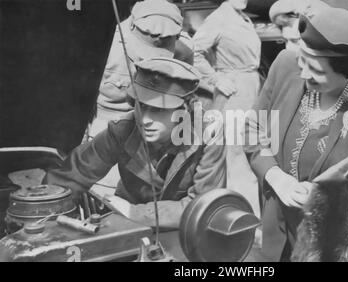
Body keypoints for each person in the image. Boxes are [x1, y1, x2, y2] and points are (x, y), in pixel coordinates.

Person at [245, 6, 348, 261]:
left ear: (347, 70)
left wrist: (326, 199)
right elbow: (250, 128)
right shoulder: (285, 66)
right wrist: (275, 176)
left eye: (317, 70)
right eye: (302, 60)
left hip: (329, 244)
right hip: (276, 232)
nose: (303, 73)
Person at [43, 58, 226, 229]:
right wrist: (42, 211)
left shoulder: (209, 135)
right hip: (127, 223)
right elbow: (72, 176)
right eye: (141, 106)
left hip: (184, 229)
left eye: (159, 110)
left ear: (186, 109)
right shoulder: (124, 129)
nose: (145, 119)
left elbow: (202, 206)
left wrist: (134, 212)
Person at [192, 0, 261, 210]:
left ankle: (247, 211)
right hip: (235, 92)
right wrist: (216, 79)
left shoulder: (242, 17)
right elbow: (194, 52)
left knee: (252, 146)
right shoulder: (219, 18)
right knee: (237, 153)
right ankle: (243, 215)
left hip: (250, 87)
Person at [89, 0, 184, 140]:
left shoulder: (183, 52)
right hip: (105, 129)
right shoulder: (105, 47)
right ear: (132, 26)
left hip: (152, 131)